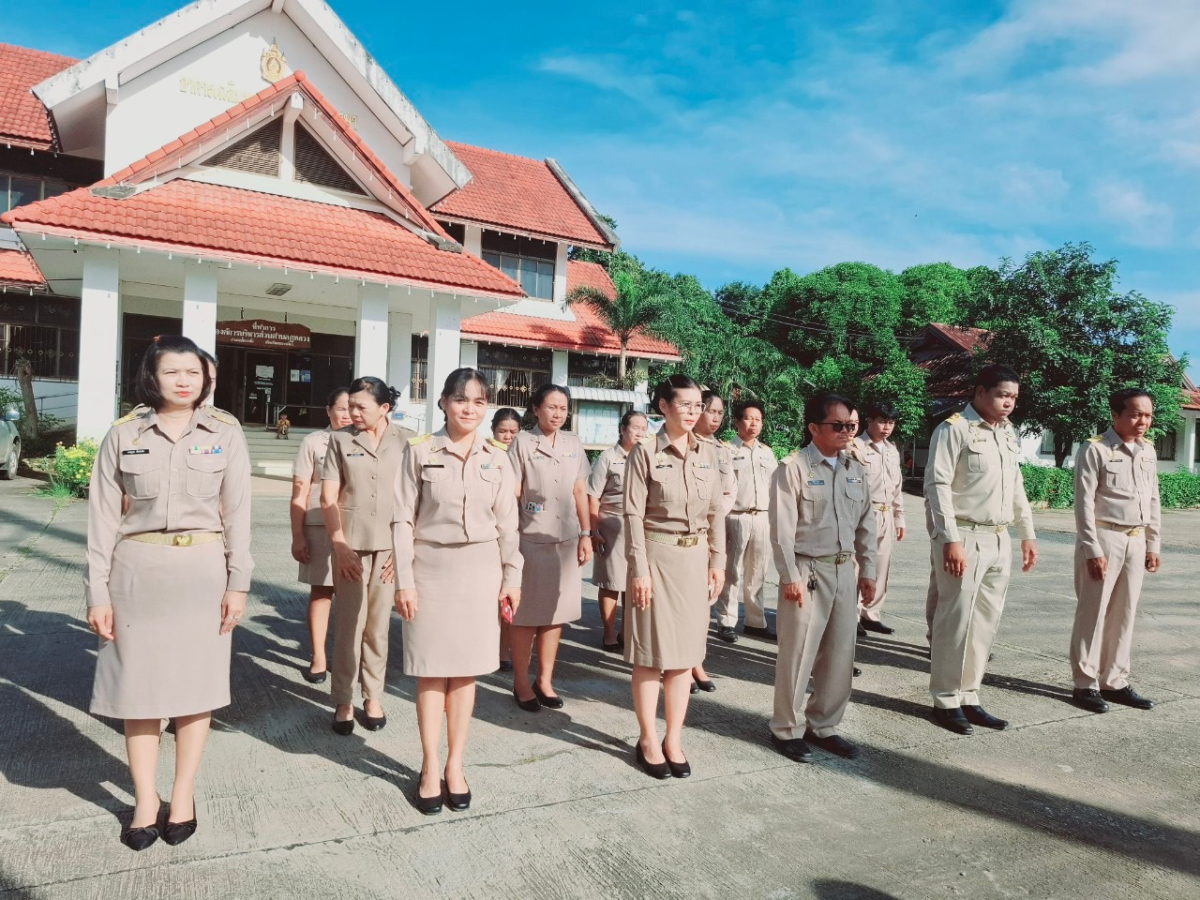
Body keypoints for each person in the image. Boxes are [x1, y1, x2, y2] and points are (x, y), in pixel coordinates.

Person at [85, 335, 252, 851]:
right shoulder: (124, 433)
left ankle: (182, 795)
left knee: (195, 691)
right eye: (172, 372)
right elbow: (101, 518)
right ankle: (144, 798)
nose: (184, 380)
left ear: (207, 377)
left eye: (194, 372)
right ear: (151, 377)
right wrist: (98, 591)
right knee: (139, 693)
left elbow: (240, 514)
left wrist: (238, 583)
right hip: (136, 573)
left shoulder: (225, 432)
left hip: (202, 573)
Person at [393, 368, 523, 814]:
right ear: (444, 403)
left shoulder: (498, 457)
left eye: (479, 401)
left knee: (465, 672)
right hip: (429, 569)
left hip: (480, 571)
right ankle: (430, 767)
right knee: (431, 671)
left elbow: (509, 524)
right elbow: (402, 520)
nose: (470, 408)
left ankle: (455, 765)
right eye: (461, 400)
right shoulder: (420, 452)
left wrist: (512, 577)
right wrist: (404, 580)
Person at [925, 364, 1037, 735]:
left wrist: (1027, 533)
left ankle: (969, 695)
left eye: (1014, 398)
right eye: (1003, 395)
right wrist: (950, 539)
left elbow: (1016, 484)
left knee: (985, 623)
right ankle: (945, 699)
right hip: (964, 536)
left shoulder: (1008, 433)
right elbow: (937, 485)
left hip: (999, 537)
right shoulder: (954, 428)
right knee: (954, 622)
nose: (1009, 403)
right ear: (980, 392)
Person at [625, 375, 726, 779]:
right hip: (657, 556)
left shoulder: (708, 454)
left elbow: (717, 511)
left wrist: (717, 561)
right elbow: (632, 514)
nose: (692, 412)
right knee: (650, 655)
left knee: (685, 658)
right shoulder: (645, 452)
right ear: (663, 407)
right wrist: (638, 570)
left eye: (697, 405)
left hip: (695, 559)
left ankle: (674, 739)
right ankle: (648, 738)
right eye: (684, 404)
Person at [768, 393, 876, 763]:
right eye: (838, 425)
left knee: (840, 653)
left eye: (852, 426)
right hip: (807, 570)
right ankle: (786, 727)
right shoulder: (794, 468)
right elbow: (782, 530)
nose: (847, 432)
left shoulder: (855, 468)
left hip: (845, 569)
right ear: (814, 427)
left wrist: (870, 570)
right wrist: (788, 576)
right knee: (798, 653)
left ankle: (825, 725)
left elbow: (867, 524)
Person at [321, 377, 415, 735]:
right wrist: (339, 544)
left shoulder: (408, 441)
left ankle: (372, 695)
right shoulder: (341, 440)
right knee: (349, 626)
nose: (352, 413)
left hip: (391, 546)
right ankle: (344, 698)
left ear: (384, 408)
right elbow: (328, 497)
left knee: (378, 628)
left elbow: (417, 498)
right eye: (349, 406)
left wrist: (405, 550)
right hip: (351, 547)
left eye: (361, 407)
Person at [1068, 388, 1161, 713]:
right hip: (1104, 538)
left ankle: (1115, 681)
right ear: (1116, 414)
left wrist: (1153, 542)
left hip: (1136, 539)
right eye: (1135, 414)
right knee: (1093, 613)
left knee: (1124, 614)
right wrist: (1092, 549)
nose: (1143, 421)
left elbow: (1152, 500)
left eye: (1147, 415)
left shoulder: (1147, 451)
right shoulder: (1096, 450)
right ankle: (1085, 684)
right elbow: (1083, 503)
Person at [508, 384, 592, 711]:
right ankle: (519, 682)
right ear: (535, 409)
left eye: (563, 408)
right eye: (551, 407)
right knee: (527, 616)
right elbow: (513, 492)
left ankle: (544, 679)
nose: (557, 413)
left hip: (567, 541)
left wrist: (586, 533)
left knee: (556, 615)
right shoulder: (523, 443)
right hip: (531, 539)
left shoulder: (573, 442)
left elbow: (580, 490)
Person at [289, 388, 352, 683]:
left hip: (355, 526)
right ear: (328, 410)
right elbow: (299, 492)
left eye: (353, 408)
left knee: (355, 597)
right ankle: (318, 656)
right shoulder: (314, 443)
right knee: (322, 591)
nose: (348, 414)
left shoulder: (366, 441)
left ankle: (348, 658)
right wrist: (297, 535)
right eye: (341, 408)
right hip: (319, 527)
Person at [716, 399, 778, 641]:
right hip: (735, 517)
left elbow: (775, 487)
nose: (754, 423)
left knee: (757, 572)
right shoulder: (726, 451)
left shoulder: (767, 453)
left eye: (758, 419)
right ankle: (726, 621)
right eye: (748, 418)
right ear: (737, 422)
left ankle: (755, 621)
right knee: (731, 572)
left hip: (762, 517)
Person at [587, 410, 649, 653]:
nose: (640, 433)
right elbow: (593, 496)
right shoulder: (608, 458)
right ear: (622, 429)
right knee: (612, 582)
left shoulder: (648, 456)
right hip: (613, 525)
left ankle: (628, 632)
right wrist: (593, 530)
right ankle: (610, 632)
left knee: (636, 580)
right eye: (635, 427)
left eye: (644, 428)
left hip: (641, 527)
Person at [690, 389, 735, 695]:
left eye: (720, 412)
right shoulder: (681, 444)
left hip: (710, 535)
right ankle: (678, 664)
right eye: (710, 410)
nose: (715, 417)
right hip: (683, 535)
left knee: (703, 603)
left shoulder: (723, 450)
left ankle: (696, 662)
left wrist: (712, 521)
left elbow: (729, 493)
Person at [854, 401, 906, 636]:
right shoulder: (856, 447)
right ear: (870, 422)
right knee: (858, 566)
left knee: (881, 567)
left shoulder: (892, 450)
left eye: (891, 423)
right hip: (864, 513)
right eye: (882, 421)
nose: (887, 427)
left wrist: (899, 518)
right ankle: (852, 615)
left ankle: (871, 613)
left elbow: (897, 488)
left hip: (886, 514)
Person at [490, 407, 522, 671]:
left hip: (520, 532)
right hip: (493, 533)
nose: (508, 437)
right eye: (503, 431)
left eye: (513, 432)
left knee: (510, 595)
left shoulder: (524, 454)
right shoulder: (486, 454)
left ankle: (504, 651)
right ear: (493, 431)